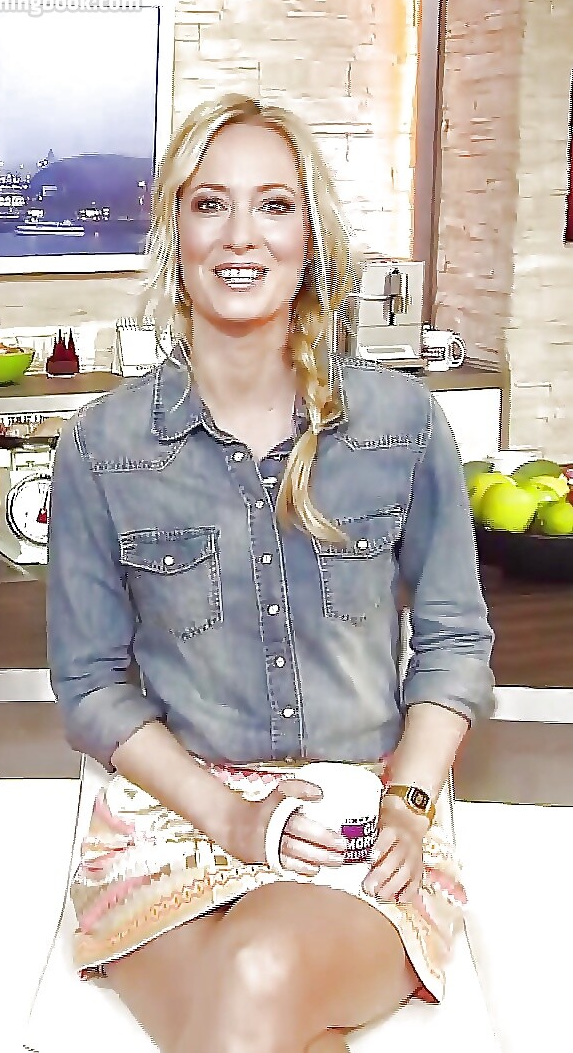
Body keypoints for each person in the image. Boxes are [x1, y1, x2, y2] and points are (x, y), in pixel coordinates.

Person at [47, 92, 495, 1053]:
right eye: (209, 204)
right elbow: (89, 685)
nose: (240, 236)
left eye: (273, 205)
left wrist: (410, 805)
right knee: (276, 1023)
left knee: (256, 974)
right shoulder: (100, 446)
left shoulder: (402, 425)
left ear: (309, 237)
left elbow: (454, 643)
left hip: (360, 818)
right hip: (174, 823)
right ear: (175, 231)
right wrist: (232, 819)